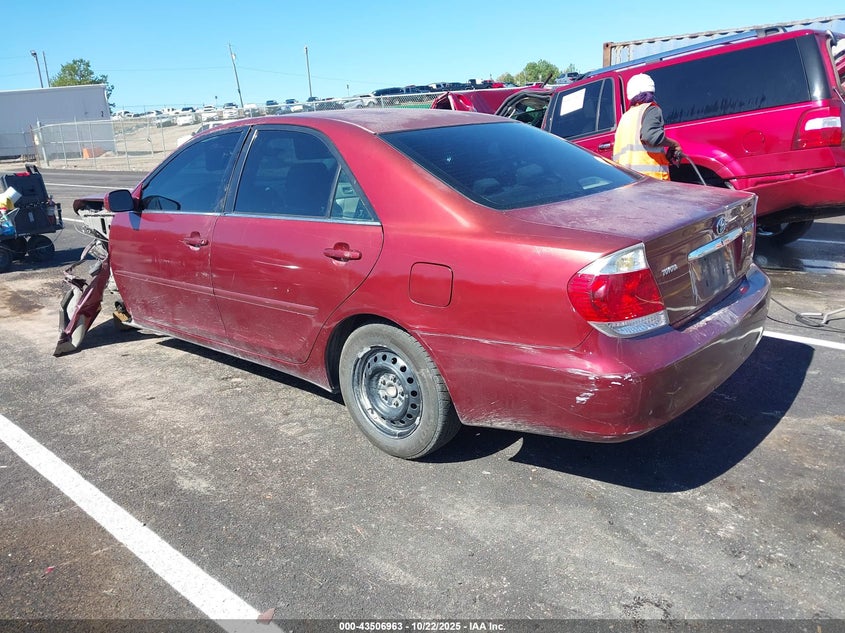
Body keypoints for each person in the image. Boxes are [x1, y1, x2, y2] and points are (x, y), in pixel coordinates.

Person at [612, 73, 681, 180]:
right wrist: (675, 144)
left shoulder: (626, 117)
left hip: (628, 181)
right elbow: (650, 137)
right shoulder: (651, 109)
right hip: (651, 181)